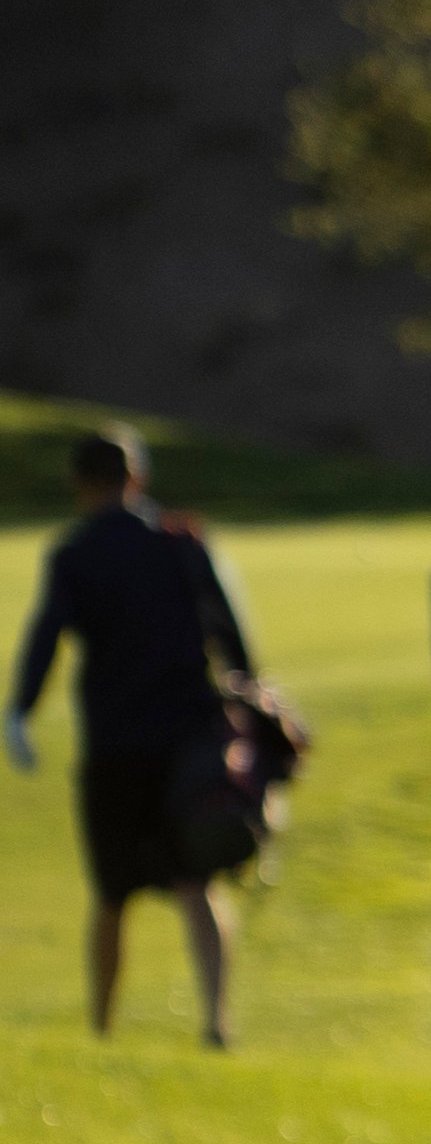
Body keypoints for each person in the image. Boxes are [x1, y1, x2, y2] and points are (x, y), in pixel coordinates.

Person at [7, 429, 257, 1046]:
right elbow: (230, 628)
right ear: (136, 478)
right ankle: (215, 1022)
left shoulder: (76, 552)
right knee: (198, 880)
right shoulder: (182, 542)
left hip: (114, 745)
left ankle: (103, 1028)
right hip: (189, 742)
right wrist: (247, 698)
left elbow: (47, 636)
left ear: (79, 485)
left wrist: (19, 711)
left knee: (113, 892)